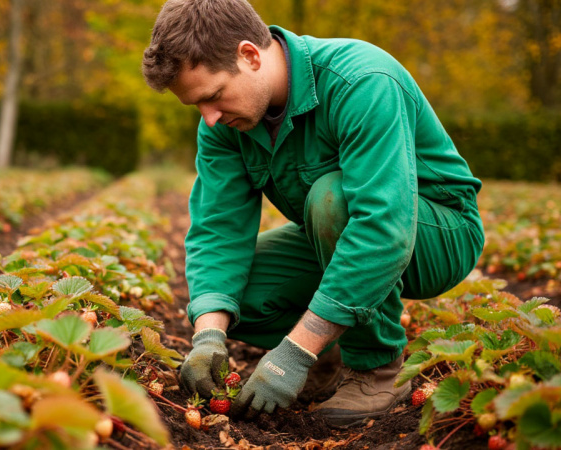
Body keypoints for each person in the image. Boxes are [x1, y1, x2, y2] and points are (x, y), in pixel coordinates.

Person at [142, 0, 485, 428]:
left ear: (250, 55)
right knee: (235, 301)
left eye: (212, 96)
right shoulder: (225, 124)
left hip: (435, 234)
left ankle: (376, 368)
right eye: (196, 106)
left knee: (331, 198)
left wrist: (294, 352)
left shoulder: (361, 79)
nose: (208, 118)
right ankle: (338, 335)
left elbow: (383, 227)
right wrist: (208, 334)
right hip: (335, 233)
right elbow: (217, 229)